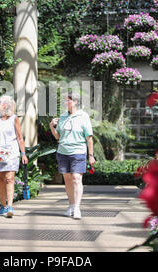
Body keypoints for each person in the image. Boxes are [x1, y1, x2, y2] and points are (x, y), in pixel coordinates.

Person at [49, 92, 95, 220]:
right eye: (65, 101)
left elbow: (89, 138)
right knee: (68, 179)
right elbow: (58, 137)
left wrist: (91, 155)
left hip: (78, 152)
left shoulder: (83, 116)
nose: (65, 103)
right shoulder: (62, 117)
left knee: (76, 178)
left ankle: (77, 208)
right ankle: (71, 205)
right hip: (63, 152)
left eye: (67, 100)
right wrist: (51, 127)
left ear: (75, 102)